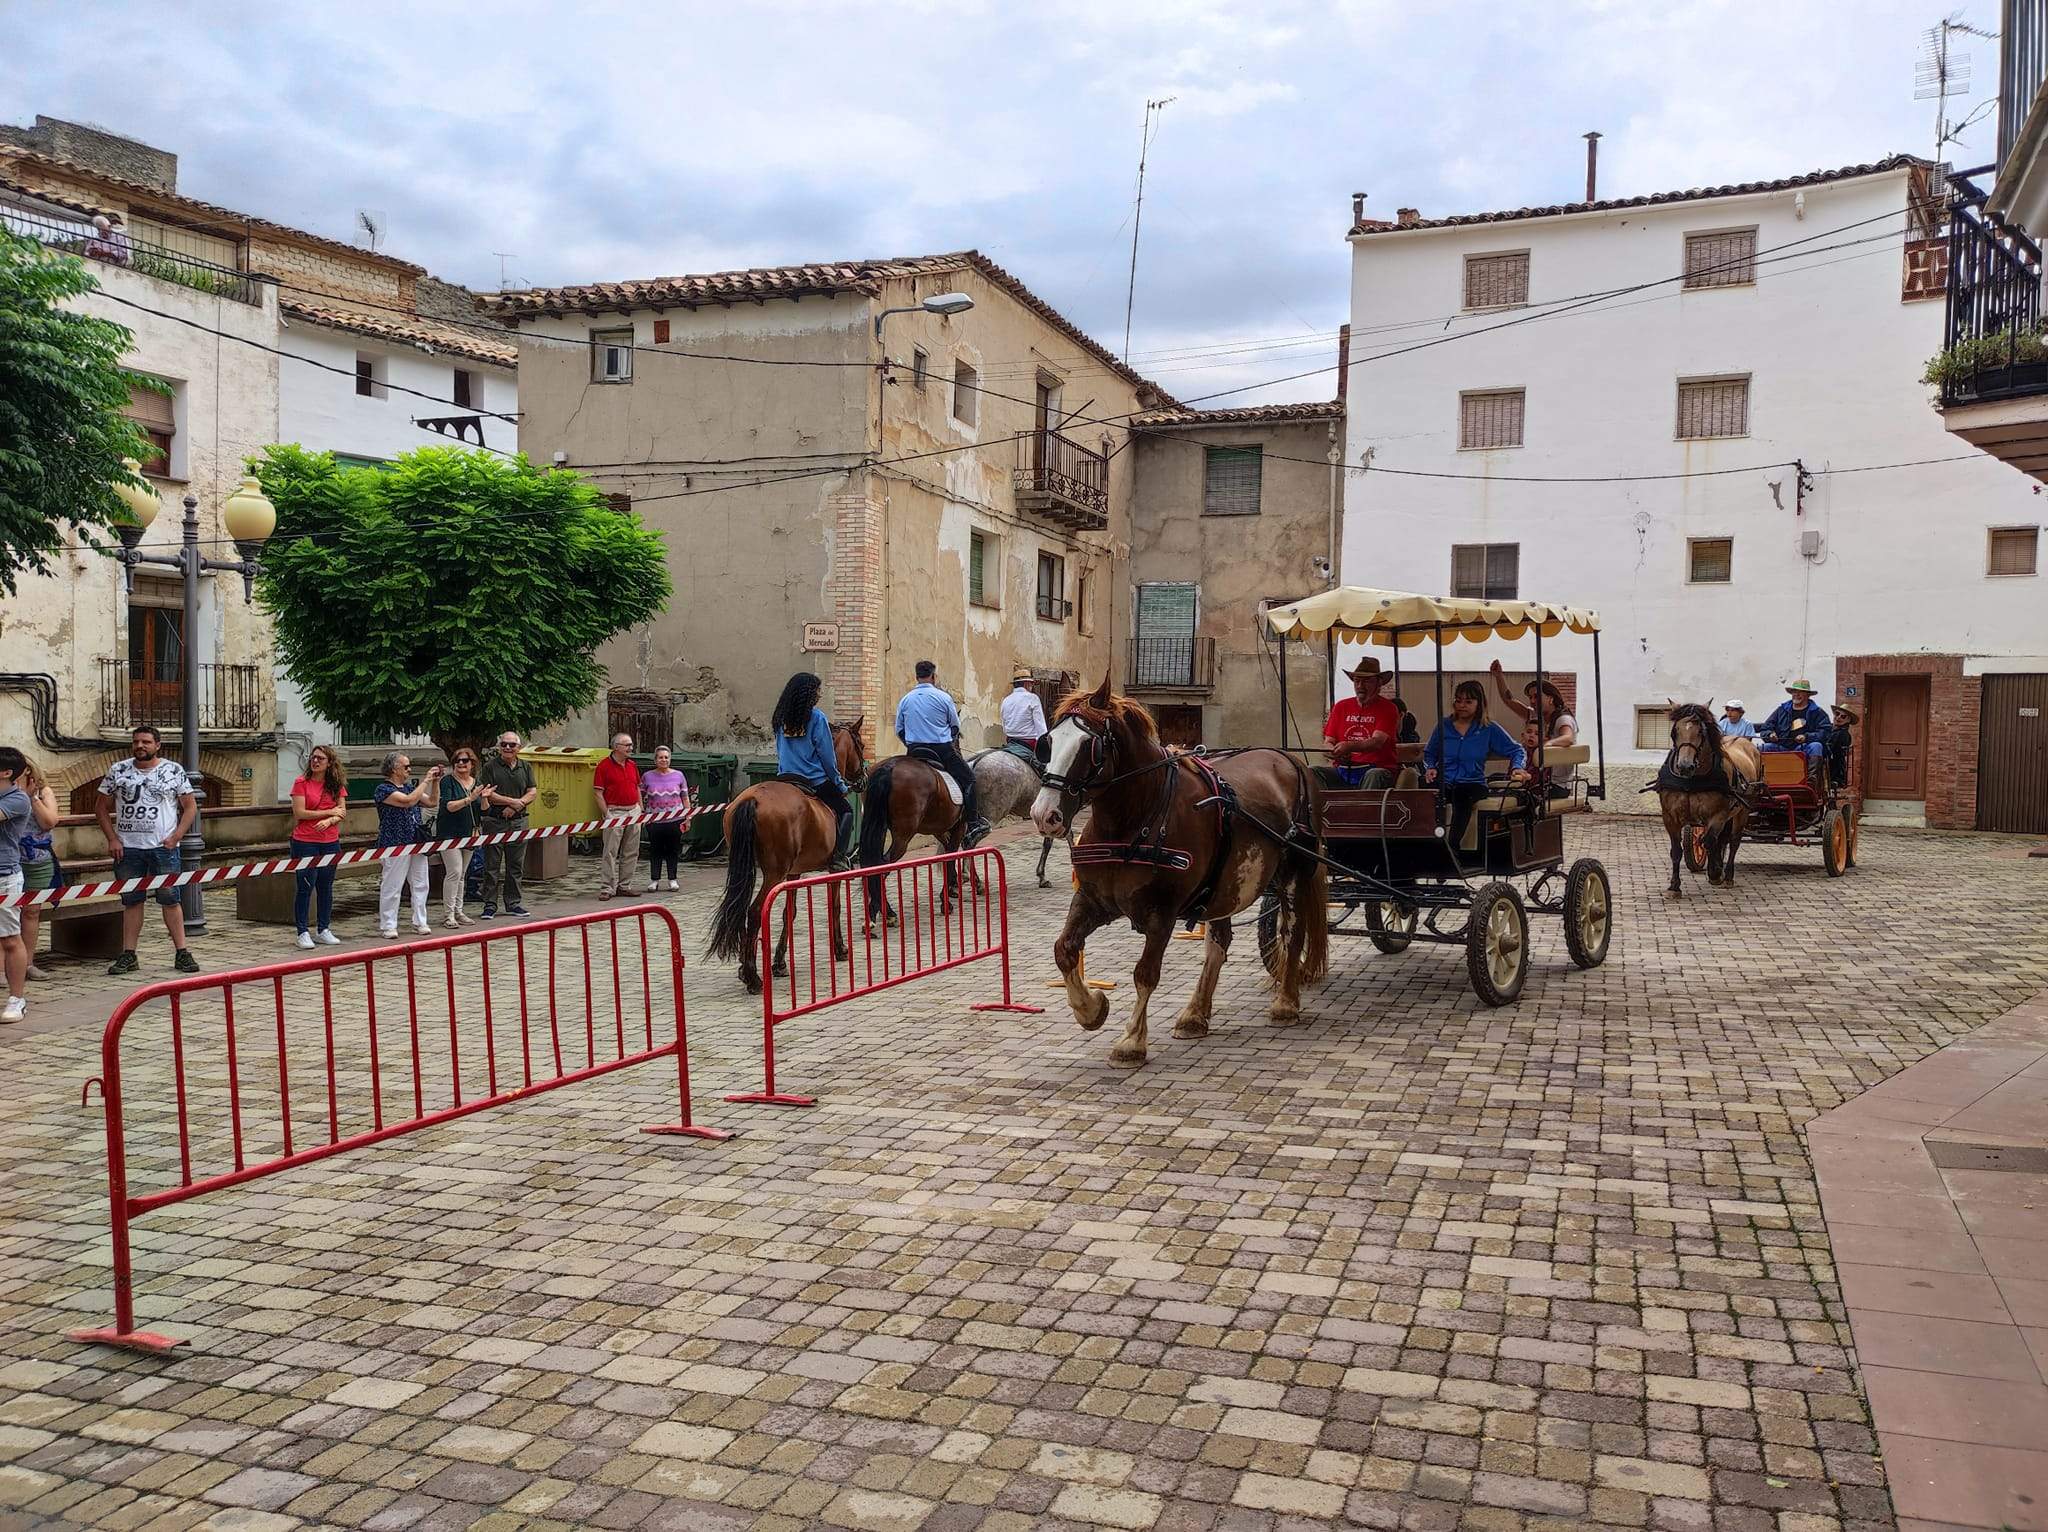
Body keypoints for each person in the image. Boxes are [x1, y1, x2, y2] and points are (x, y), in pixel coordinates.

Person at [96, 725, 199, 976]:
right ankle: (129, 954)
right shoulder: (118, 770)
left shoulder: (173, 770)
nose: (140, 746)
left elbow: (190, 806)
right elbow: (100, 807)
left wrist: (176, 837)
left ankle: (182, 952)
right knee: (132, 901)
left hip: (162, 847)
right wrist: (112, 838)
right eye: (136, 742)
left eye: (146, 742)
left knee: (170, 898)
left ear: (157, 745)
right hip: (129, 848)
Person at [1424, 680, 1530, 849]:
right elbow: (1429, 753)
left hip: (1472, 784)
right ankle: (1423, 843)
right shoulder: (1444, 726)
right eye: (1458, 701)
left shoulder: (1488, 728)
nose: (1462, 706)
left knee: (1461, 795)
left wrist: (1517, 767)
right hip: (1445, 781)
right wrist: (1430, 767)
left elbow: (1517, 749)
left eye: (1468, 702)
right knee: (1423, 792)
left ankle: (1452, 847)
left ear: (1479, 703)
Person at [894, 660, 986, 843]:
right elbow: (954, 726)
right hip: (941, 750)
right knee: (969, 779)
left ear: (916, 676)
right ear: (934, 676)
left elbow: (899, 730)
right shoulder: (943, 698)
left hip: (914, 751)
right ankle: (974, 823)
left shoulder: (906, 699)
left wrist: (911, 743)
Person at [773, 672, 855, 870]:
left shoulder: (780, 717)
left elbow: (779, 749)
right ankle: (838, 857)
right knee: (846, 810)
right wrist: (838, 782)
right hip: (812, 780)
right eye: (817, 690)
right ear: (808, 693)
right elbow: (827, 755)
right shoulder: (817, 717)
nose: (819, 695)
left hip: (785, 778)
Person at [0, 749, 56, 1023]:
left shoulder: (18, 799)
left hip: (5, 875)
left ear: (6, 772)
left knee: (10, 937)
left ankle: (16, 999)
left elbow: (50, 821)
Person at [1489, 660, 1578, 800]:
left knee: (1511, 794)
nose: (1532, 700)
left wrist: (1545, 746)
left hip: (1555, 784)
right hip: (1536, 779)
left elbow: (1568, 738)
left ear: (1550, 699)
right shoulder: (1537, 715)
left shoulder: (1563, 719)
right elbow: (1509, 700)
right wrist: (1499, 676)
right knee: (1492, 780)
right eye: (1530, 697)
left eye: (1536, 696)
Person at [287, 745, 347, 949]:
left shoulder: (336, 785)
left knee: (326, 885)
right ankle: (302, 931)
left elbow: (342, 812)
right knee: (305, 885)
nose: (315, 761)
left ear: (329, 763)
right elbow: (300, 813)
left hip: (330, 841)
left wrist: (330, 821)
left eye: (320, 758)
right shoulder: (301, 783)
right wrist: (329, 813)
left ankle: (324, 928)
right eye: (313, 758)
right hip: (305, 841)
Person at [373, 752, 439, 938]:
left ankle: (420, 921)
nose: (409, 770)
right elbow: (408, 802)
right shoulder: (383, 789)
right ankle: (388, 924)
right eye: (406, 766)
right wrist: (426, 780)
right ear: (394, 769)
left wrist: (436, 782)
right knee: (392, 886)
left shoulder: (410, 787)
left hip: (415, 841)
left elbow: (432, 802)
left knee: (420, 883)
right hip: (394, 842)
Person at [477, 731, 536, 918]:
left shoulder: (525, 767)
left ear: (519, 747)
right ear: (499, 746)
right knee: (492, 865)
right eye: (504, 744)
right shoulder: (490, 767)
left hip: (518, 821)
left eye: (512, 745)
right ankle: (489, 905)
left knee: (515, 865)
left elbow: (532, 791)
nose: (508, 748)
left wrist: (518, 805)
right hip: (495, 822)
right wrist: (512, 802)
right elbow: (487, 793)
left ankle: (513, 903)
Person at [13, 759, 60, 988]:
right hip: (10, 860)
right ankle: (5, 966)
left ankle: (28, 963)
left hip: (37, 860)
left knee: (31, 912)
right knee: (7, 912)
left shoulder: (44, 791)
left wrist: (32, 797)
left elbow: (49, 822)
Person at [1323, 657, 1402, 788]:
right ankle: (1317, 808)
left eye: (1366, 681)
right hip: (1343, 769)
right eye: (1357, 681)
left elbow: (1377, 742)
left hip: (1377, 768)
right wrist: (1333, 752)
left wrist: (1349, 746)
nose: (1360, 686)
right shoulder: (1341, 706)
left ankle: (1364, 808)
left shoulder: (1388, 708)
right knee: (1313, 772)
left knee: (1374, 775)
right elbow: (1328, 742)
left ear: (1379, 683)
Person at [437, 747, 487, 927]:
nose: (460, 764)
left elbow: (483, 810)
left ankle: (458, 910)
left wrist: (485, 798)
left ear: (472, 764)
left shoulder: (476, 782)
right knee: (454, 871)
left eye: (464, 760)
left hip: (470, 832)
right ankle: (448, 914)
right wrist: (470, 799)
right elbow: (449, 806)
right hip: (449, 833)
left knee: (462, 874)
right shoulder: (447, 781)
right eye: (457, 761)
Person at [593, 733, 643, 900]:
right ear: (616, 747)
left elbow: (637, 787)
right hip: (615, 811)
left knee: (631, 851)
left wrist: (640, 809)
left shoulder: (632, 764)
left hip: (633, 811)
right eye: (626, 745)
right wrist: (607, 814)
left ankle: (625, 885)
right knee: (610, 852)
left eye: (631, 744)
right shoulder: (604, 766)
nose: (630, 748)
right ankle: (607, 887)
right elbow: (598, 793)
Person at [641, 746, 691, 891]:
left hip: (675, 820)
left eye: (666, 757)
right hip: (654, 821)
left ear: (670, 759)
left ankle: (672, 879)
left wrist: (688, 817)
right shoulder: (647, 776)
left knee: (672, 850)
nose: (664, 760)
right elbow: (640, 794)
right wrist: (643, 813)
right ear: (655, 760)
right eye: (660, 757)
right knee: (655, 850)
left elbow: (685, 797)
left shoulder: (679, 775)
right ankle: (654, 879)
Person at [1759, 680, 1830, 764]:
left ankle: (1813, 777)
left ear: (1808, 695)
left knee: (1816, 746)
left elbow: (1825, 732)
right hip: (1781, 747)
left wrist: (1806, 737)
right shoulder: (1781, 710)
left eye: (1801, 692)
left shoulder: (1817, 712)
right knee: (1762, 748)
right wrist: (1770, 735)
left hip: (1804, 748)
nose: (1796, 694)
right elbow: (1765, 728)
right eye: (1794, 691)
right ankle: (1760, 777)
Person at [1000, 667, 1049, 750]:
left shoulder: (1006, 700)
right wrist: (1045, 744)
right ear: (1026, 684)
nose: (1031, 687)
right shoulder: (1032, 698)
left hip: (1010, 741)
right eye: (1031, 684)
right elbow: (1041, 727)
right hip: (1029, 744)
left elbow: (1004, 725)